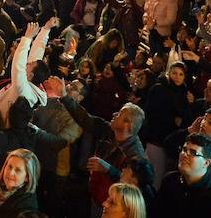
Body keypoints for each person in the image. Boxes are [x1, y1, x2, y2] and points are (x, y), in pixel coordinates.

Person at [54, 77, 148, 208]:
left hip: (113, 204)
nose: (115, 114)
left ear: (129, 125)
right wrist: (64, 96)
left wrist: (109, 169)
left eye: (120, 114)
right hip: (96, 192)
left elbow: (134, 188)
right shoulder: (108, 129)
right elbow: (85, 119)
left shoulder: (135, 155)